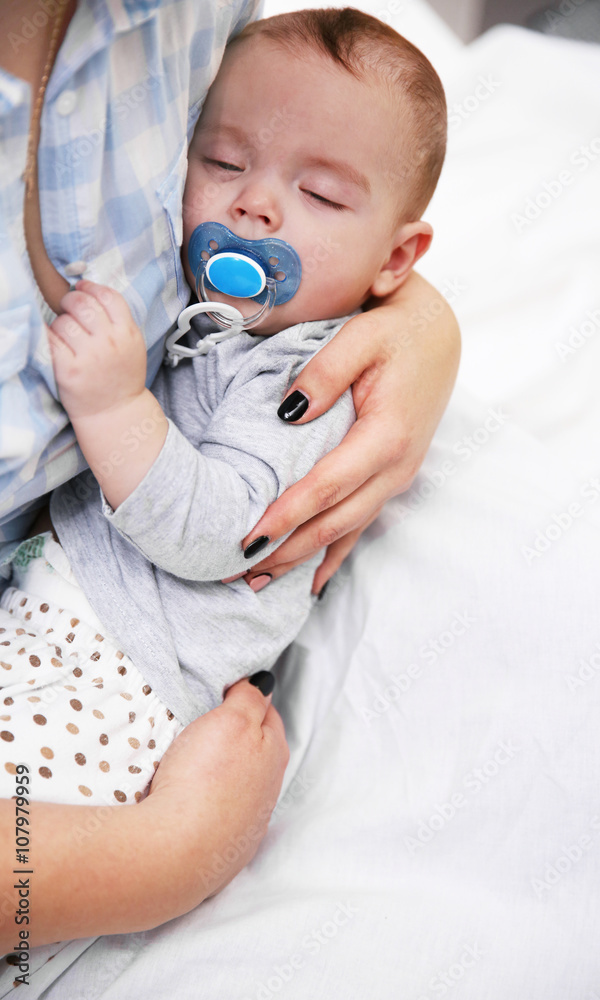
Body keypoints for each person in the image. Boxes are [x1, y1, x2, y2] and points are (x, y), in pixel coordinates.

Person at [0, 0, 460, 964]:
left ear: (400, 256)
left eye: (322, 198)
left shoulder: (303, 384)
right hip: (58, 636)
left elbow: (223, 531)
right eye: (220, 163)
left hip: (117, 688)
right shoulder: (218, 330)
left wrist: (120, 406)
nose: (253, 206)